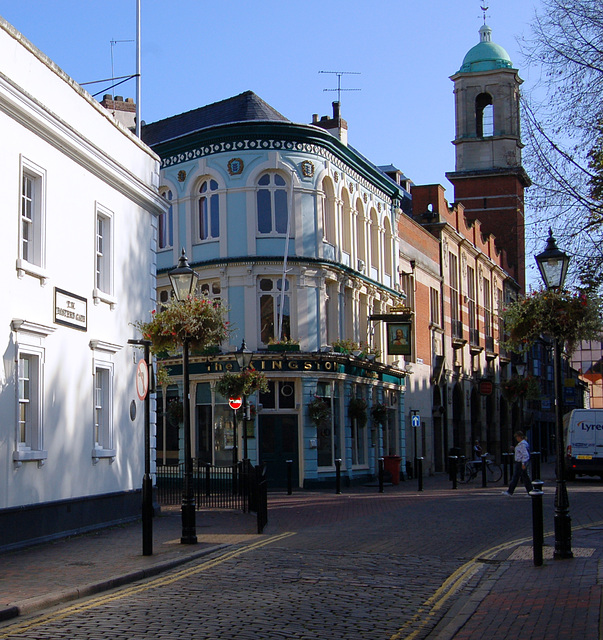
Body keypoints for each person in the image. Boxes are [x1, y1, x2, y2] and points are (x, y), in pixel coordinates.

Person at [502, 431, 533, 496]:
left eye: (517, 437)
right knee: (524, 477)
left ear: (519, 437)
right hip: (520, 463)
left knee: (517, 477)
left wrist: (523, 463)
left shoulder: (522, 445)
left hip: (520, 463)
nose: (516, 439)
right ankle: (530, 491)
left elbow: (525, 455)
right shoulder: (523, 444)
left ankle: (510, 491)